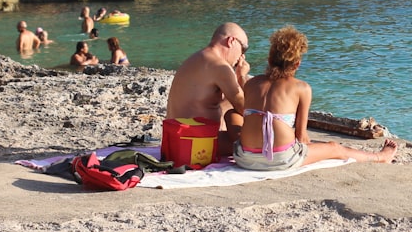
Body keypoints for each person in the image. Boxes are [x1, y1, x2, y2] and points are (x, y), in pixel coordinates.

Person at [233, 26, 399, 171]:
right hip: (280, 159)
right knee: (335, 148)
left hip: (245, 158)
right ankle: (380, 157)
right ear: (297, 64)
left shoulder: (252, 83)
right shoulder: (301, 88)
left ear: (269, 59)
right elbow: (301, 136)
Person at [166, 23, 251, 149]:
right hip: (192, 143)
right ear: (231, 41)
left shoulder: (199, 57)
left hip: (174, 137)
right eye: (243, 49)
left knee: (229, 100)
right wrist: (242, 77)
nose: (242, 57)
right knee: (252, 144)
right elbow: (245, 108)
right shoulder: (220, 66)